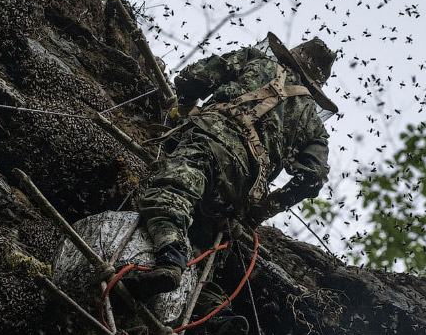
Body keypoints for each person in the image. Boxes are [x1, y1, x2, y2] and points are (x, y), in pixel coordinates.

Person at [127, 32, 337, 298]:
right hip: (245, 188)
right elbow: (313, 178)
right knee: (206, 243)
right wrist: (259, 212)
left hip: (211, 141)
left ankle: (170, 260)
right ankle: (207, 308)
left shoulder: (255, 60)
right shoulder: (314, 123)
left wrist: (184, 108)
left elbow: (195, 77)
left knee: (169, 195)